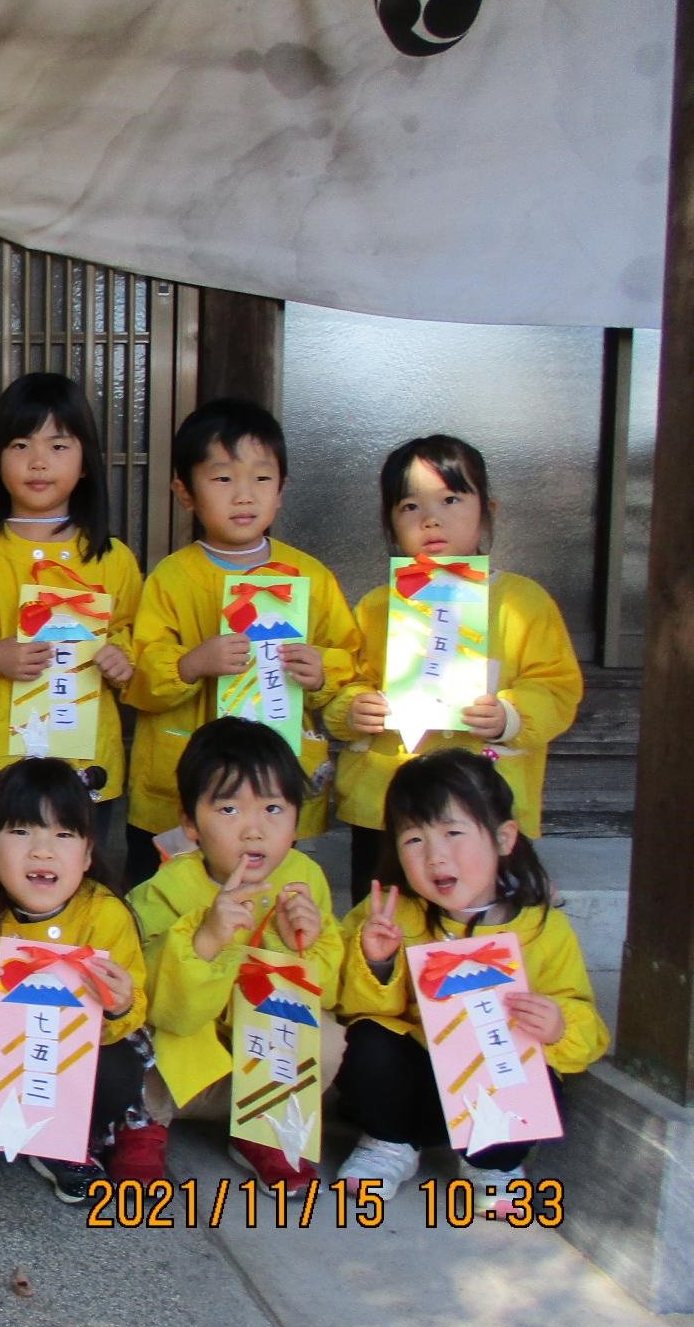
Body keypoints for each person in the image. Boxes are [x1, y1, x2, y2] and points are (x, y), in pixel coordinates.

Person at [335, 750, 606, 1217]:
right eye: (414, 838)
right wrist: (375, 962)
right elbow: (345, 1004)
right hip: (413, 1088)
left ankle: (494, 1166)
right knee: (369, 1041)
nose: (435, 855)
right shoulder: (388, 914)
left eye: (454, 833)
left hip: (492, 1090)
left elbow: (585, 1023)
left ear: (504, 838)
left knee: (534, 1069)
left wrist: (559, 1025)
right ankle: (389, 1144)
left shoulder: (541, 929)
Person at [324, 436, 583, 905]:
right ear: (390, 521)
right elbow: (345, 678)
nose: (431, 519)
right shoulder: (377, 607)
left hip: (486, 803)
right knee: (383, 922)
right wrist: (351, 709)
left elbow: (557, 687)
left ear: (488, 509)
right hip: (388, 803)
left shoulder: (522, 602)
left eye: (450, 499)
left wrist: (511, 717)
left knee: (481, 926)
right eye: (409, 506)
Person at [123, 398, 362, 884]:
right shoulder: (173, 578)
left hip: (275, 779)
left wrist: (322, 671)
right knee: (170, 898)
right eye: (223, 478)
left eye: (261, 478)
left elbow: (349, 662)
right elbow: (139, 674)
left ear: (282, 489)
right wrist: (191, 663)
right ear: (184, 492)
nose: (244, 495)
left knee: (270, 900)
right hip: (183, 785)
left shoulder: (309, 576)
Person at [131, 717, 344, 1195]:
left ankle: (265, 1122)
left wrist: (298, 946)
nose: (254, 830)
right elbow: (152, 998)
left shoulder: (304, 878)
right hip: (176, 1070)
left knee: (328, 1034)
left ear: (297, 816)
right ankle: (144, 1121)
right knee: (138, 1025)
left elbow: (326, 988)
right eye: (228, 809)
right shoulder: (163, 889)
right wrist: (204, 941)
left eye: (273, 808)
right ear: (189, 823)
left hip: (247, 1068)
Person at [0, 758, 146, 1201]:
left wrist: (119, 1003)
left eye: (63, 835)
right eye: (21, 832)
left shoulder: (105, 913)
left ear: (87, 853)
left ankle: (69, 1138)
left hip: (70, 1050)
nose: (43, 851)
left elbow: (134, 1007)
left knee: (121, 1068)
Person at [0, 373, 141, 836]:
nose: (38, 462)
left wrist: (121, 656)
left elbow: (135, 635)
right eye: (20, 445)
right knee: (0, 874)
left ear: (86, 462)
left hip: (84, 756)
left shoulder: (112, 558)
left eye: (58, 446)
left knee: (78, 877)